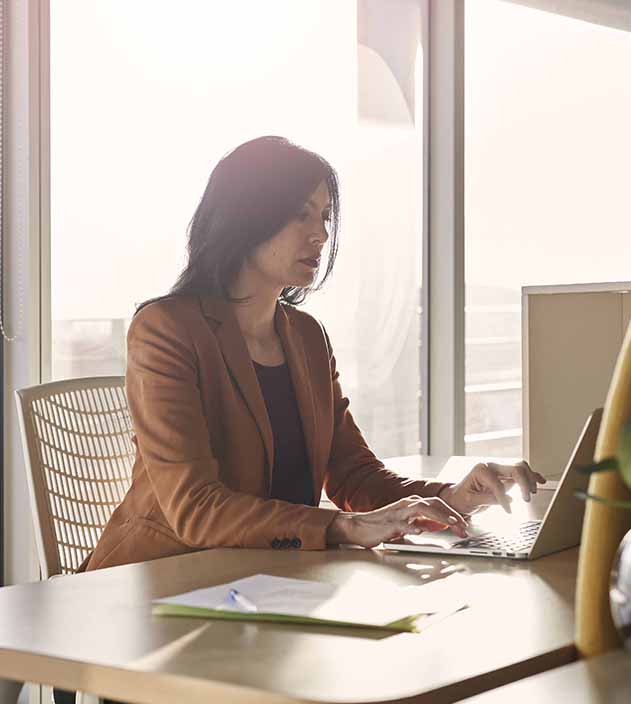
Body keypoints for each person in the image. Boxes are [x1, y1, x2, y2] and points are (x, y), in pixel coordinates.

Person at [79, 134, 545, 573]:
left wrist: (456, 496)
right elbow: (196, 508)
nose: (321, 234)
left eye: (323, 216)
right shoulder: (167, 329)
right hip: (164, 577)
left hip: (272, 579)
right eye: (301, 214)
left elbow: (354, 476)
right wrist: (344, 527)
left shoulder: (305, 337)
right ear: (247, 217)